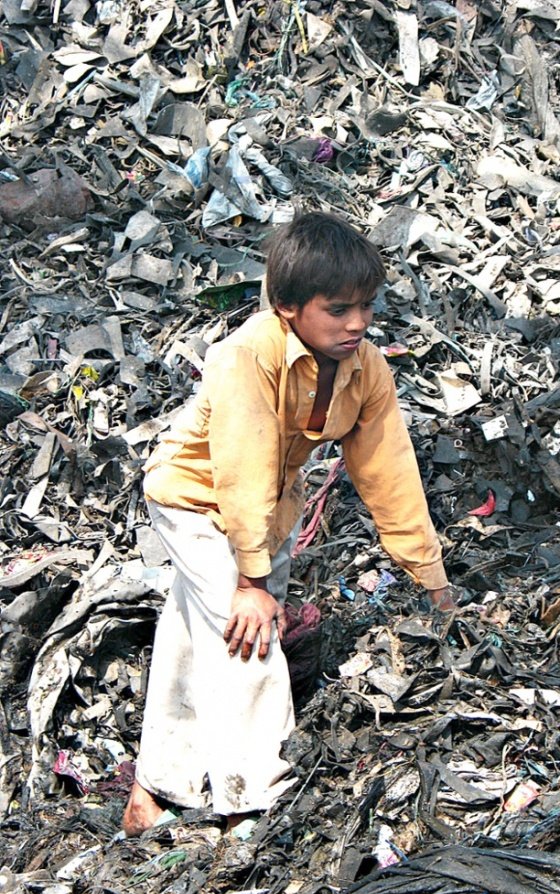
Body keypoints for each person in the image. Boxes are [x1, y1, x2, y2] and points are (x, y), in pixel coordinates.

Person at [122, 211, 453, 837]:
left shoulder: (366, 369)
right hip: (196, 497)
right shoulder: (248, 355)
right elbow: (241, 465)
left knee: (195, 636)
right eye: (337, 310)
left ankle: (154, 788)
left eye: (366, 308)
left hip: (268, 509)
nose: (357, 324)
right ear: (287, 308)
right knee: (250, 633)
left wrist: (429, 574)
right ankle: (255, 799)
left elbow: (389, 470)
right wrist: (250, 582)